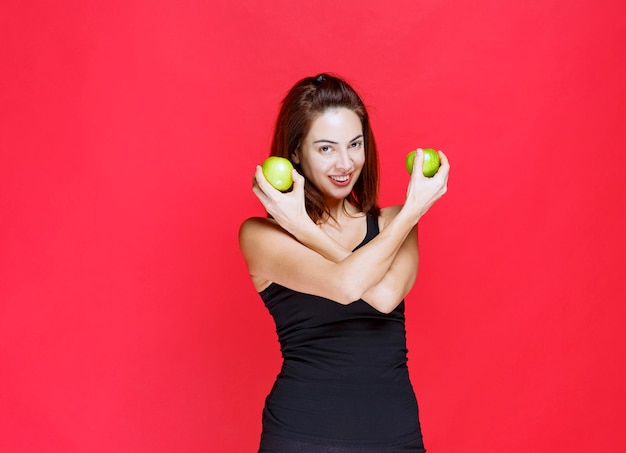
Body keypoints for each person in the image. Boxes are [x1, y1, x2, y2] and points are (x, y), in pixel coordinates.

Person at [239, 73, 449, 452]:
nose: (345, 162)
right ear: (294, 154)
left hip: (394, 434)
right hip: (303, 435)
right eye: (325, 149)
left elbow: (384, 297)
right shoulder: (261, 235)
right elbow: (347, 286)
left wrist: (410, 212)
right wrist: (302, 227)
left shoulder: (392, 223)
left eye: (355, 144)